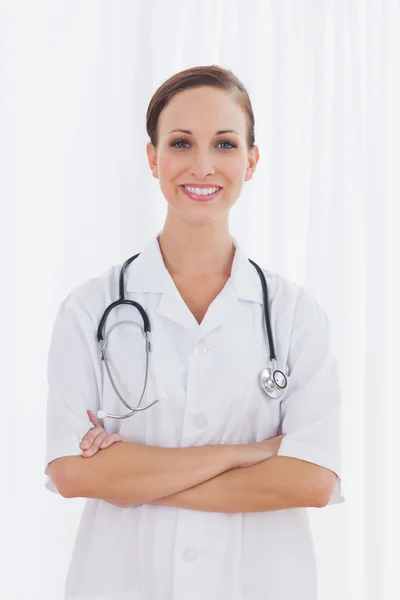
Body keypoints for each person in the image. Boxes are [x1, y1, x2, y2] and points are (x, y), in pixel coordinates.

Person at [44, 65, 345, 600]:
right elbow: (73, 473)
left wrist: (133, 478)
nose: (202, 165)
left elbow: (312, 482)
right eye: (181, 142)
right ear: (153, 157)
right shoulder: (89, 309)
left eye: (224, 144)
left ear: (251, 162)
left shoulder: (296, 315)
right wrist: (245, 453)